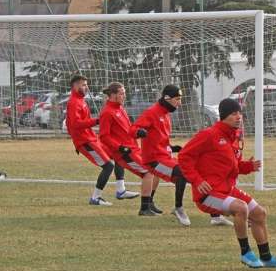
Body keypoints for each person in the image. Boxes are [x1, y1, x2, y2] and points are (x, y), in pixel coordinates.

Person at [179, 98, 276, 268]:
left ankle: (266, 257)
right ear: (223, 116)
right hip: (207, 194)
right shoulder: (208, 135)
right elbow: (184, 156)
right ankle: (246, 253)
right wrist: (197, 180)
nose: (238, 117)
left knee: (259, 213)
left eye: (239, 113)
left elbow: (234, 166)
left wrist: (247, 167)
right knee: (241, 208)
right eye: (233, 113)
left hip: (227, 189)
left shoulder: (235, 137)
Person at [65, 74, 138, 206]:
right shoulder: (73, 102)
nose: (86, 87)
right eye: (83, 85)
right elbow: (75, 124)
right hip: (84, 141)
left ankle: (120, 190)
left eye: (86, 84)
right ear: (75, 86)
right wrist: (97, 121)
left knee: (118, 154)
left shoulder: (80, 100)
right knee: (108, 166)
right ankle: (95, 198)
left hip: (91, 138)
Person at [130, 85, 192, 226]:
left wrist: (171, 147)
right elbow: (132, 129)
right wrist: (139, 132)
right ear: (167, 99)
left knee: (194, 170)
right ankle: (178, 208)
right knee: (182, 173)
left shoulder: (165, 114)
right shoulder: (152, 112)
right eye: (178, 99)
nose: (180, 103)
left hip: (164, 157)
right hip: (153, 160)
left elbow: (160, 140)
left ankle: (217, 213)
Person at [99, 82, 159, 216]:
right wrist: (120, 148)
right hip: (124, 152)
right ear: (113, 95)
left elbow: (127, 131)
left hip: (133, 148)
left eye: (124, 93)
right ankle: (144, 208)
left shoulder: (120, 108)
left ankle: (149, 204)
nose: (124, 96)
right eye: (121, 93)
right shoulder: (107, 112)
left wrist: (138, 133)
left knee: (153, 169)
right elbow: (104, 137)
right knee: (148, 172)